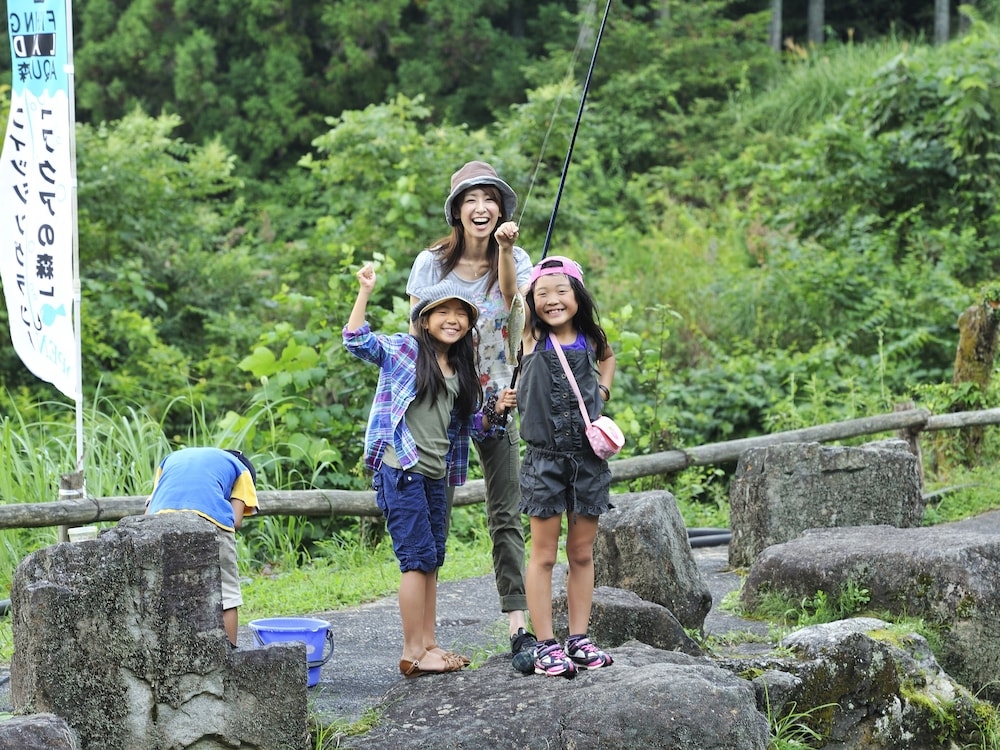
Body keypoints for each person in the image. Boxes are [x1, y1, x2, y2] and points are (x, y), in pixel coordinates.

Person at [345, 263, 515, 678]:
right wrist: (365, 292)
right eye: (443, 312)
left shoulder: (460, 370)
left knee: (433, 560)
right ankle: (412, 651)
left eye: (461, 315)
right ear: (424, 319)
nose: (452, 320)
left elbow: (468, 425)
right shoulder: (405, 349)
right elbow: (356, 341)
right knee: (415, 560)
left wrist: (494, 411)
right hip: (401, 470)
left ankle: (430, 644)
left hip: (436, 475)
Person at [406, 160, 537, 662]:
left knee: (506, 512)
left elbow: (513, 299)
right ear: (457, 211)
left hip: (500, 401)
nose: (481, 207)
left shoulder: (516, 256)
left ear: (502, 208)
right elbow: (418, 333)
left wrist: (505, 250)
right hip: (443, 405)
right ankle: (426, 640)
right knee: (434, 518)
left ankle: (517, 626)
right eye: (470, 199)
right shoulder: (430, 263)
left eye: (490, 198)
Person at [517, 256, 617, 677]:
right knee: (542, 555)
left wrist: (605, 389)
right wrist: (507, 249)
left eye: (561, 291)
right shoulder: (528, 335)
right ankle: (545, 645)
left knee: (581, 552)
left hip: (588, 461)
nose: (553, 300)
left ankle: (579, 639)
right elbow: (509, 290)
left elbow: (609, 358)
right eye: (543, 293)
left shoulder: (592, 339)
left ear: (578, 295)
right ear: (531, 302)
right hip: (544, 462)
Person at [145, 446, 259, 648]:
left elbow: (149, 509)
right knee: (227, 595)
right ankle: (229, 656)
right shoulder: (242, 469)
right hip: (211, 520)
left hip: (159, 521)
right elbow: (236, 520)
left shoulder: (171, 459)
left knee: (168, 591)